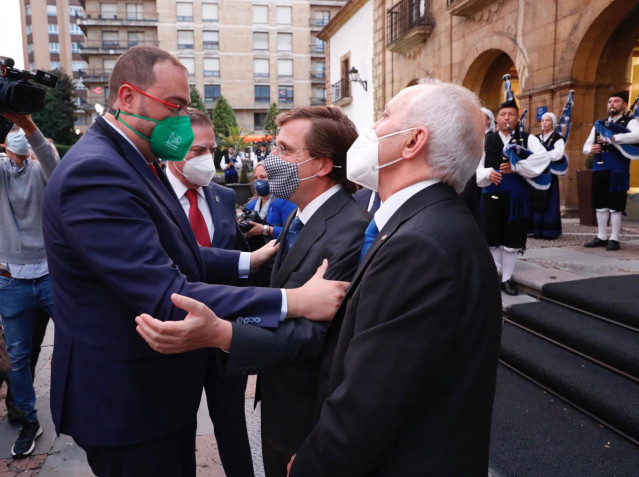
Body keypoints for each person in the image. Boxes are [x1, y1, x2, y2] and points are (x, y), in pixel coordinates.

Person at [136, 81, 504, 476]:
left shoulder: (419, 244)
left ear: (413, 141)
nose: (372, 129)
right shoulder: (412, 225)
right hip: (291, 410)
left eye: (384, 116)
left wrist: (315, 461)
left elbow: (372, 390)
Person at [41, 45, 348, 477]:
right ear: (127, 98)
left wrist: (246, 262)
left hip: (154, 395)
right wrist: (294, 301)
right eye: (175, 106)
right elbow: (169, 296)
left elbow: (176, 249)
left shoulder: (135, 159)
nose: (183, 122)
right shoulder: (96, 172)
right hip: (127, 404)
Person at [248, 106, 369, 476]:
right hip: (283, 402)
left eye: (285, 150)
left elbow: (321, 335)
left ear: (321, 165)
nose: (271, 159)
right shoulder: (302, 217)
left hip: (309, 414)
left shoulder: (350, 228)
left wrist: (227, 335)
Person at [165, 108, 254, 477]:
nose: (207, 159)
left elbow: (231, 256)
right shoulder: (151, 197)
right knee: (175, 429)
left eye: (211, 149)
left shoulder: (219, 195)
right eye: (197, 150)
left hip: (223, 332)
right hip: (175, 333)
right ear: (172, 150)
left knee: (232, 424)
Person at [0, 112, 58, 458]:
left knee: (79, 341)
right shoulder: (3, 172)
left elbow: (54, 166)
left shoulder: (40, 168)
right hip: (11, 280)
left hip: (50, 275)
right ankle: (27, 419)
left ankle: (85, 405)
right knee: (19, 357)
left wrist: (30, 123)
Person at [476, 97, 551, 296]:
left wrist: (517, 166)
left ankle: (507, 279)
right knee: (491, 237)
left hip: (516, 199)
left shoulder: (529, 139)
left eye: (511, 114)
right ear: (497, 119)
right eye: (502, 114)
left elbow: (543, 159)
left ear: (517, 118)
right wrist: (487, 174)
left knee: (512, 238)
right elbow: (476, 167)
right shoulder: (486, 140)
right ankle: (495, 276)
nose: (506, 117)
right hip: (490, 195)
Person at [582, 91, 639, 251]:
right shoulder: (599, 124)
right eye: (610, 102)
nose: (612, 104)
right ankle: (601, 236)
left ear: (624, 105)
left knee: (616, 203)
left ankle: (614, 238)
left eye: (616, 101)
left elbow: (638, 135)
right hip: (599, 167)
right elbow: (585, 145)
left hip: (617, 169)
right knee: (600, 203)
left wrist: (615, 138)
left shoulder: (629, 122)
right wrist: (590, 149)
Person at [530, 111, 566, 238]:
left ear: (553, 123)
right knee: (535, 200)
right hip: (537, 173)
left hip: (550, 173)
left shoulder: (557, 138)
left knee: (550, 200)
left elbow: (558, 154)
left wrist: (541, 155)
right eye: (542, 120)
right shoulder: (535, 138)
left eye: (547, 120)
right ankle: (534, 229)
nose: (544, 123)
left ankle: (549, 230)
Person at [244, 163, 297, 248]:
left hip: (277, 255)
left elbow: (294, 232)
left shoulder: (286, 202)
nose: (258, 181)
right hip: (255, 254)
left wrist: (266, 230)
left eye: (263, 177)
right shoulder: (251, 205)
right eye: (255, 178)